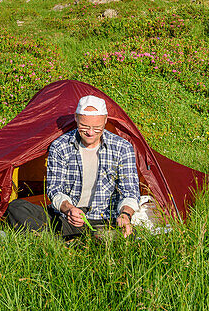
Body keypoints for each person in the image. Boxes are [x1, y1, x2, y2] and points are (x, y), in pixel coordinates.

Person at [46, 95, 140, 240]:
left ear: (105, 120)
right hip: (70, 217)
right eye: (84, 126)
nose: (90, 133)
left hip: (105, 218)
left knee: (129, 236)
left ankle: (71, 239)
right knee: (18, 208)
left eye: (97, 128)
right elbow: (54, 189)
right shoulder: (60, 146)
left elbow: (130, 191)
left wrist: (125, 214)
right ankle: (84, 238)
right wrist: (69, 209)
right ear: (76, 118)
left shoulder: (122, 147)